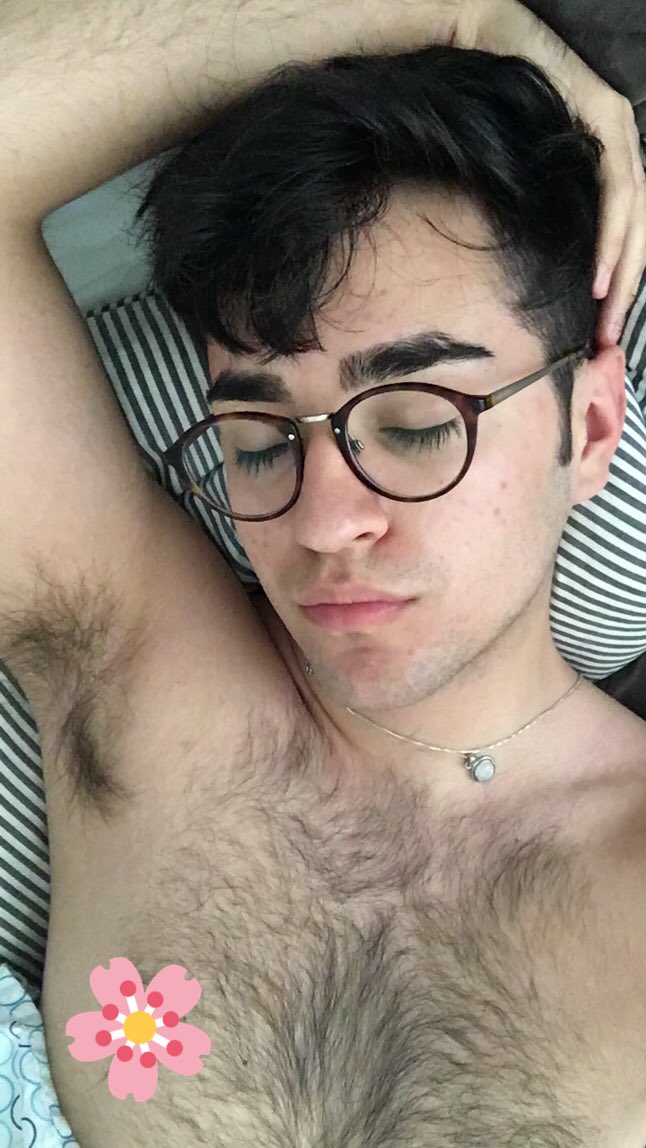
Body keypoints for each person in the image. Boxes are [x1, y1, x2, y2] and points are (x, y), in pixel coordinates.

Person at [0, 0, 645, 1145]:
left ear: (589, 426)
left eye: (415, 420)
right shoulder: (138, 685)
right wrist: (452, 10)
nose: (324, 521)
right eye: (257, 439)